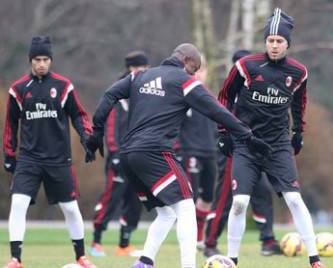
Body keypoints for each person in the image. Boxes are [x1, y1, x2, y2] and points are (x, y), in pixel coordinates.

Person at [85, 43, 272, 268]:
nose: (194, 75)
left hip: (129, 155)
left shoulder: (140, 77)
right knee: (186, 208)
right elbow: (217, 110)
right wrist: (248, 136)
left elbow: (109, 94)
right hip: (155, 152)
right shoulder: (184, 82)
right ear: (186, 60)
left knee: (166, 213)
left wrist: (96, 133)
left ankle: (144, 262)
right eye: (194, 69)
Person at [218, 8, 324, 268]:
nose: (274, 46)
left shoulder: (299, 72)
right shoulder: (246, 66)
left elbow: (299, 104)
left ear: (288, 44)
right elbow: (224, 97)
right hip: (246, 143)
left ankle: (315, 258)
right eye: (270, 41)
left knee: (294, 199)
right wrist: (223, 132)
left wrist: (299, 132)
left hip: (277, 145)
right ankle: (232, 259)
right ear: (265, 42)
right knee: (240, 203)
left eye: (280, 41)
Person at [2, 36, 96, 268]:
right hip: (29, 160)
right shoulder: (19, 89)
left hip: (58, 160)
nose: (42, 63)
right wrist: (9, 155)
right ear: (31, 61)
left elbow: (78, 115)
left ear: (51, 60)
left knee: (71, 209)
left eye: (45, 59)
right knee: (18, 204)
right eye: (37, 59)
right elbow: (10, 125)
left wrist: (87, 140)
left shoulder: (64, 86)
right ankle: (16, 258)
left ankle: (81, 257)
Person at [203, 50, 281, 258]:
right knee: (226, 196)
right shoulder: (230, 91)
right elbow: (220, 116)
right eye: (240, 65)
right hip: (233, 150)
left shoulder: (257, 88)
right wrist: (224, 137)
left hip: (253, 150)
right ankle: (210, 243)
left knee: (263, 192)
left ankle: (268, 241)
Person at [89, 51, 149, 257]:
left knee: (135, 199)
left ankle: (124, 243)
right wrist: (114, 152)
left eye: (145, 68)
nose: (144, 72)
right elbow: (110, 126)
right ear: (131, 69)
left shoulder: (145, 92)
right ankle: (96, 241)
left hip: (138, 157)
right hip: (119, 157)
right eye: (140, 68)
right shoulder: (118, 91)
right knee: (112, 198)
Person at [177, 55, 219, 249]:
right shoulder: (182, 96)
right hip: (190, 152)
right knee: (188, 200)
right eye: (196, 69)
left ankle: (198, 237)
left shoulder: (211, 97)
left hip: (210, 152)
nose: (199, 73)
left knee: (208, 197)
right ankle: (188, 238)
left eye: (202, 69)